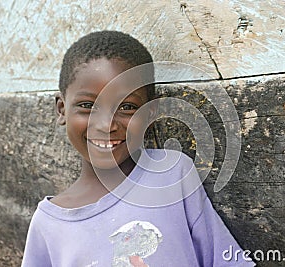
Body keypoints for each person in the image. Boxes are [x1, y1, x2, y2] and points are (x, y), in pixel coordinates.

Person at [21, 31, 255, 267]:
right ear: (62, 110)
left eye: (127, 107)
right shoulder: (49, 225)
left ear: (149, 113)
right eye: (87, 105)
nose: (107, 124)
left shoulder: (172, 175)